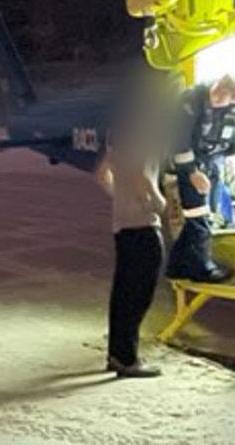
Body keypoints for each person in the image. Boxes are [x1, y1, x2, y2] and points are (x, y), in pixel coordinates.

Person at [97, 65, 171, 378]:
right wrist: (159, 203)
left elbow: (101, 173)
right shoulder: (148, 132)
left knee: (122, 293)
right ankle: (128, 360)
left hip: (122, 224)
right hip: (142, 224)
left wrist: (119, 197)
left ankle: (118, 355)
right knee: (139, 294)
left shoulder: (119, 135)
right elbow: (143, 176)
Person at [167, 73, 235, 283]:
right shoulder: (191, 99)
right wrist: (192, 172)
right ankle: (203, 269)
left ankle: (176, 266)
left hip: (216, 158)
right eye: (218, 95)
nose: (220, 101)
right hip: (190, 159)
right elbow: (178, 140)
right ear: (217, 84)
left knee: (205, 213)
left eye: (227, 99)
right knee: (198, 213)